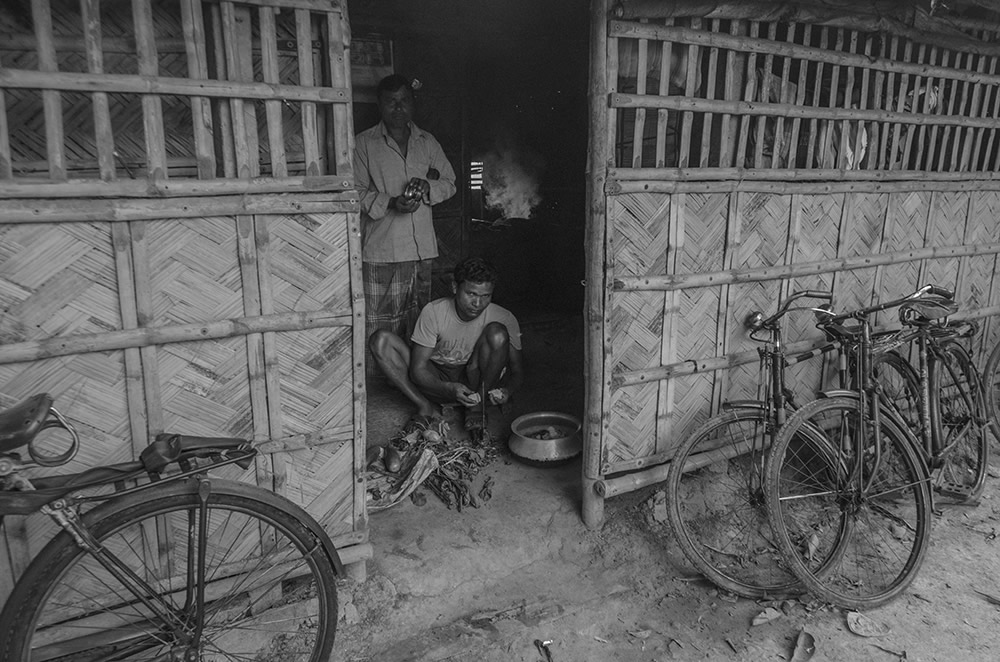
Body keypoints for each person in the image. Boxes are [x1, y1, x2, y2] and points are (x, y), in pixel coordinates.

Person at [354, 74, 457, 362]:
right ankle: (378, 381)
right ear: (379, 105)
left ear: (413, 104)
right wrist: (390, 203)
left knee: (417, 316)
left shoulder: (427, 142)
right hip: (382, 248)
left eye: (404, 101)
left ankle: (414, 376)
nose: (398, 109)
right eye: (391, 102)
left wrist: (428, 187)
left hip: (421, 248)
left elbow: (450, 181)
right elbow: (355, 192)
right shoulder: (364, 143)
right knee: (379, 319)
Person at [368, 257, 524, 441]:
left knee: (497, 333)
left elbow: (517, 371)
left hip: (475, 378)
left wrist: (508, 391)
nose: (477, 303)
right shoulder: (434, 312)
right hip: (436, 378)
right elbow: (418, 371)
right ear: (455, 288)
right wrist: (449, 388)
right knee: (381, 340)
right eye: (471, 294)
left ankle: (477, 406)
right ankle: (424, 405)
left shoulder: (504, 317)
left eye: (485, 296)